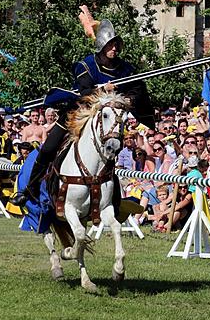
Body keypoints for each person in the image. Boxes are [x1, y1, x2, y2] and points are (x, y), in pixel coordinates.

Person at [11, 18, 153, 207]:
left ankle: (114, 201)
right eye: (111, 45)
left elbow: (137, 89)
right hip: (80, 114)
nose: (114, 49)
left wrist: (126, 100)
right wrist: (104, 90)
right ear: (102, 45)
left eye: (116, 45)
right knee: (48, 147)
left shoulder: (126, 69)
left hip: (109, 118)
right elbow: (83, 92)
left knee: (110, 155)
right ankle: (30, 189)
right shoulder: (86, 64)